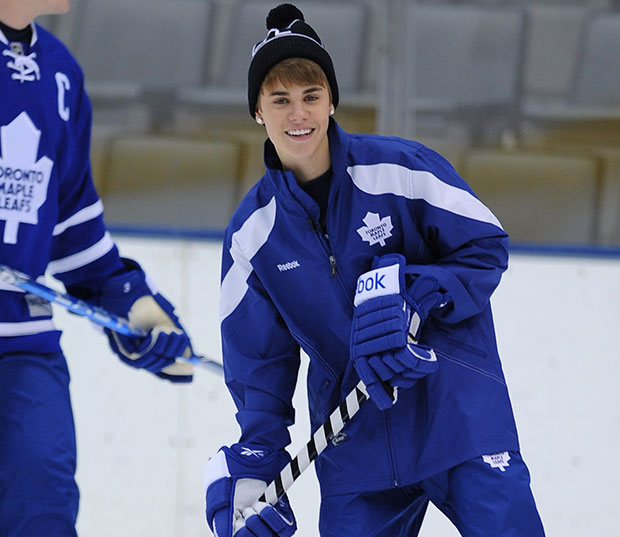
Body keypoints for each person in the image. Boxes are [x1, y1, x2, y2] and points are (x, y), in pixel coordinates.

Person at [204, 3, 546, 537]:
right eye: (281, 100)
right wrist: (254, 468)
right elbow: (259, 367)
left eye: (311, 97)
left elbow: (485, 248)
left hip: (456, 414)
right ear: (257, 111)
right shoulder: (253, 235)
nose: (299, 115)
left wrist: (417, 297)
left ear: (332, 100)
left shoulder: (402, 170)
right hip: (355, 442)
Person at [0, 1, 195, 536]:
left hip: (22, 346)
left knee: (43, 513)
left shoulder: (59, 71)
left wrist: (128, 301)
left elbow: (70, 223)